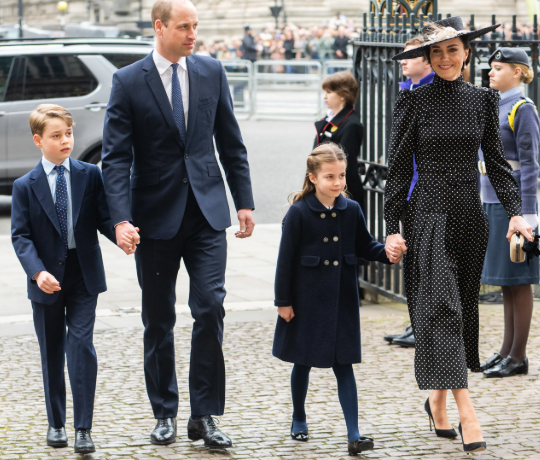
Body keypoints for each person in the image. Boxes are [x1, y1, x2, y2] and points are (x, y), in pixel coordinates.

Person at [101, 0, 255, 449]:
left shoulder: (211, 71)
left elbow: (231, 143)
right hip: (153, 217)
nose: (192, 34)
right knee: (158, 318)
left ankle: (204, 415)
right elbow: (115, 158)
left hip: (207, 213)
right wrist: (120, 219)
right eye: (184, 26)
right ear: (160, 27)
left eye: (195, 26)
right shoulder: (128, 81)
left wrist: (244, 202)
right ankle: (164, 412)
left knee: (210, 308)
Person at [385, 17, 533, 453]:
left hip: (470, 219)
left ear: (467, 53)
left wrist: (516, 213)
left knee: (460, 311)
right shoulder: (414, 101)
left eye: (453, 50)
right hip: (427, 217)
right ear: (428, 58)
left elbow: (498, 166)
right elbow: (397, 170)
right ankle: (468, 412)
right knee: (443, 309)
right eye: (437, 52)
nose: (445, 58)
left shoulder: (484, 100)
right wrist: (392, 228)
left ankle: (436, 401)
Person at [11, 104, 133, 454]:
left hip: (83, 274)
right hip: (46, 278)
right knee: (52, 351)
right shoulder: (24, 185)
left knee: (81, 346)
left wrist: (121, 234)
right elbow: (20, 236)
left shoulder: (89, 174)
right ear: (39, 141)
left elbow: (104, 217)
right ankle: (56, 423)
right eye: (56, 135)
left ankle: (83, 428)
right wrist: (37, 272)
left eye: (68, 133)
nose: (66, 140)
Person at [273, 143, 401, 456]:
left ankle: (354, 434)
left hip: (342, 301)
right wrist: (283, 302)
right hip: (307, 302)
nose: (338, 182)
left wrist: (387, 252)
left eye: (341, 175)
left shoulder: (351, 209)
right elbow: (284, 262)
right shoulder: (298, 213)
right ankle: (299, 417)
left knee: (344, 365)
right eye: (330, 176)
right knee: (302, 361)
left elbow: (365, 246)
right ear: (313, 177)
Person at [478, 47, 540, 378]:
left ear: (517, 71)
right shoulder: (495, 104)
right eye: (491, 67)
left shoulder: (522, 108)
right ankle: (506, 350)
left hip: (513, 204)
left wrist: (528, 212)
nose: (491, 72)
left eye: (498, 67)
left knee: (518, 278)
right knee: (505, 280)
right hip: (492, 198)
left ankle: (518, 355)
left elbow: (530, 163)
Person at [383, 35, 435, 349]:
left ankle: (424, 324)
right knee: (414, 261)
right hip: (409, 187)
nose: (403, 61)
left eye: (410, 56)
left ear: (427, 61)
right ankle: (417, 321)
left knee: (427, 263)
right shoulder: (409, 91)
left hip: (426, 189)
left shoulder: (430, 92)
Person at [314, 70, 365, 212]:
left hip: (340, 194)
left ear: (343, 95)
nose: (325, 96)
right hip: (325, 188)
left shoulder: (351, 124)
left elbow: (345, 166)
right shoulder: (328, 119)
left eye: (329, 92)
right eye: (325, 92)